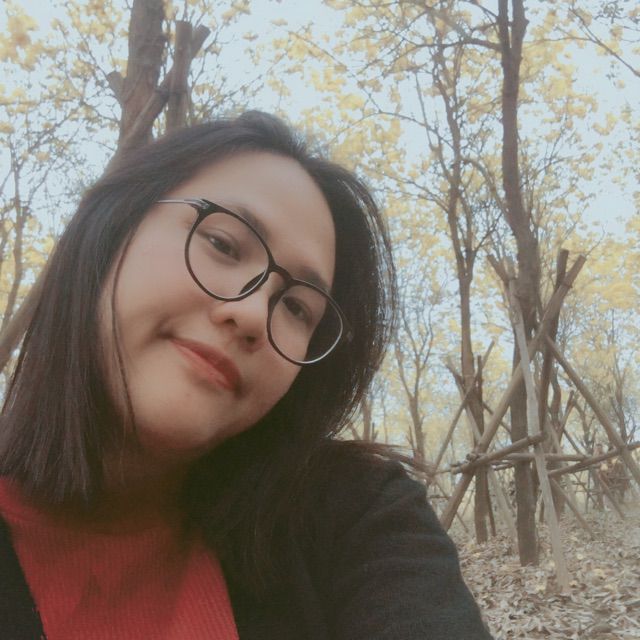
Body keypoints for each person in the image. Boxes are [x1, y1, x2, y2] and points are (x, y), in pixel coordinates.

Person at [0, 111, 492, 639]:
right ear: (111, 228)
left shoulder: (355, 517)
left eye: (297, 308)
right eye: (223, 245)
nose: (255, 314)